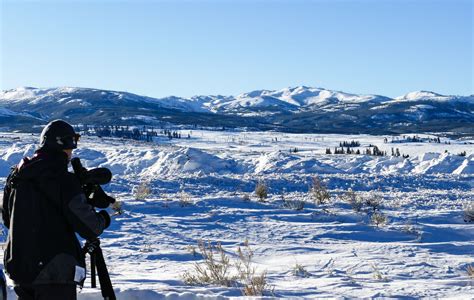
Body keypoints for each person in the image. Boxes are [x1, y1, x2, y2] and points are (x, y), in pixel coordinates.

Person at [1, 120, 111, 300]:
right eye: (71, 147)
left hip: (20, 269)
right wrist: (103, 219)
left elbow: (7, 218)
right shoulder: (63, 180)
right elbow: (90, 227)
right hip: (54, 272)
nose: (71, 153)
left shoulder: (16, 175)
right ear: (63, 145)